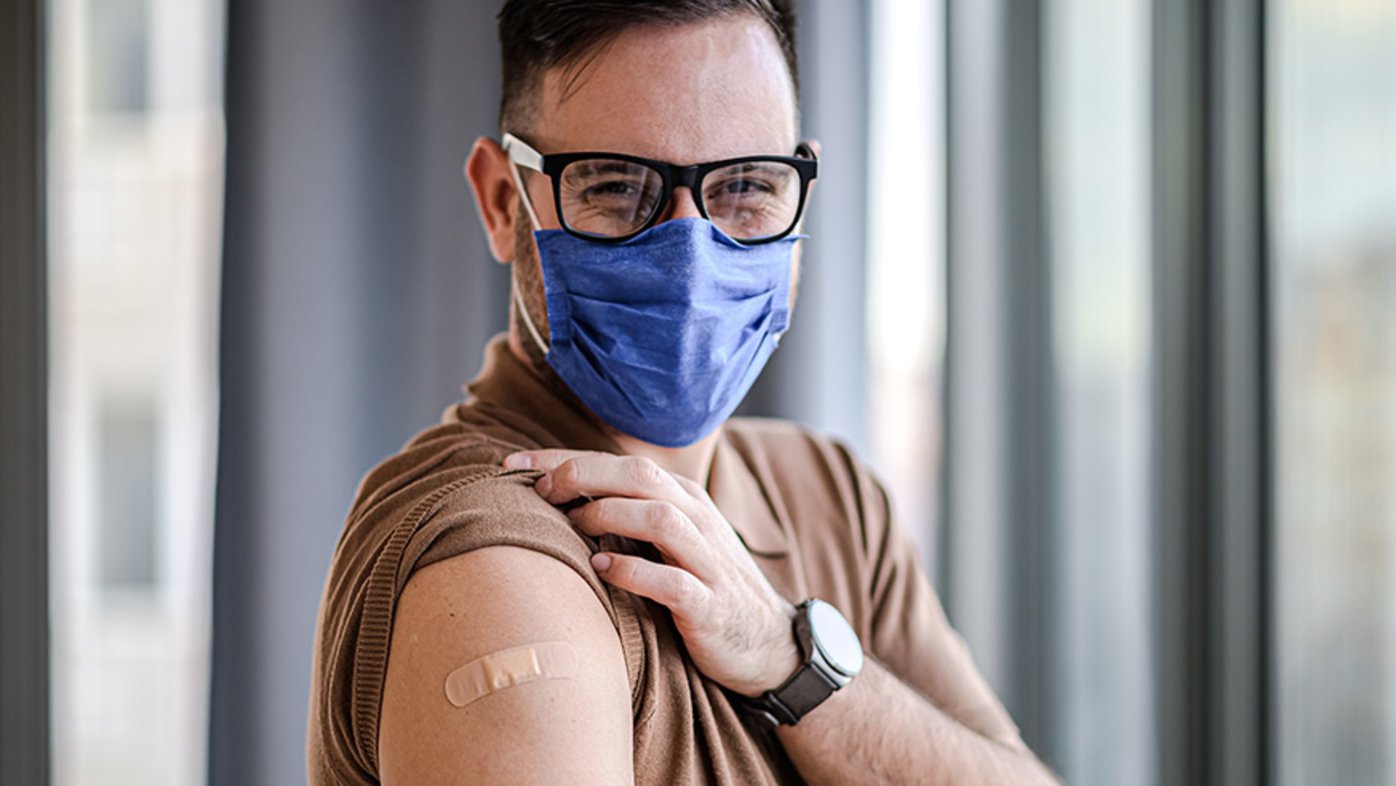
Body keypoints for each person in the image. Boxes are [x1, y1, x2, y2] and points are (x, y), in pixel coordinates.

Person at [307, 1, 1058, 783]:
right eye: (615, 187)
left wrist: (787, 656)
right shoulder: (494, 564)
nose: (691, 257)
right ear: (504, 202)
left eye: (746, 187)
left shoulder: (832, 497)